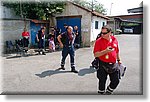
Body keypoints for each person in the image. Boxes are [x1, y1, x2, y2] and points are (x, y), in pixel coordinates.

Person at [93, 25, 122, 95]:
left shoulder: (114, 39)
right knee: (102, 81)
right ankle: (101, 93)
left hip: (113, 64)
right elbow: (96, 54)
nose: (102, 35)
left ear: (110, 33)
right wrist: (105, 51)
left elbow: (117, 51)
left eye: (104, 33)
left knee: (116, 80)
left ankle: (109, 91)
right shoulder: (98, 41)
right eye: (101, 33)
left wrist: (119, 60)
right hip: (102, 64)